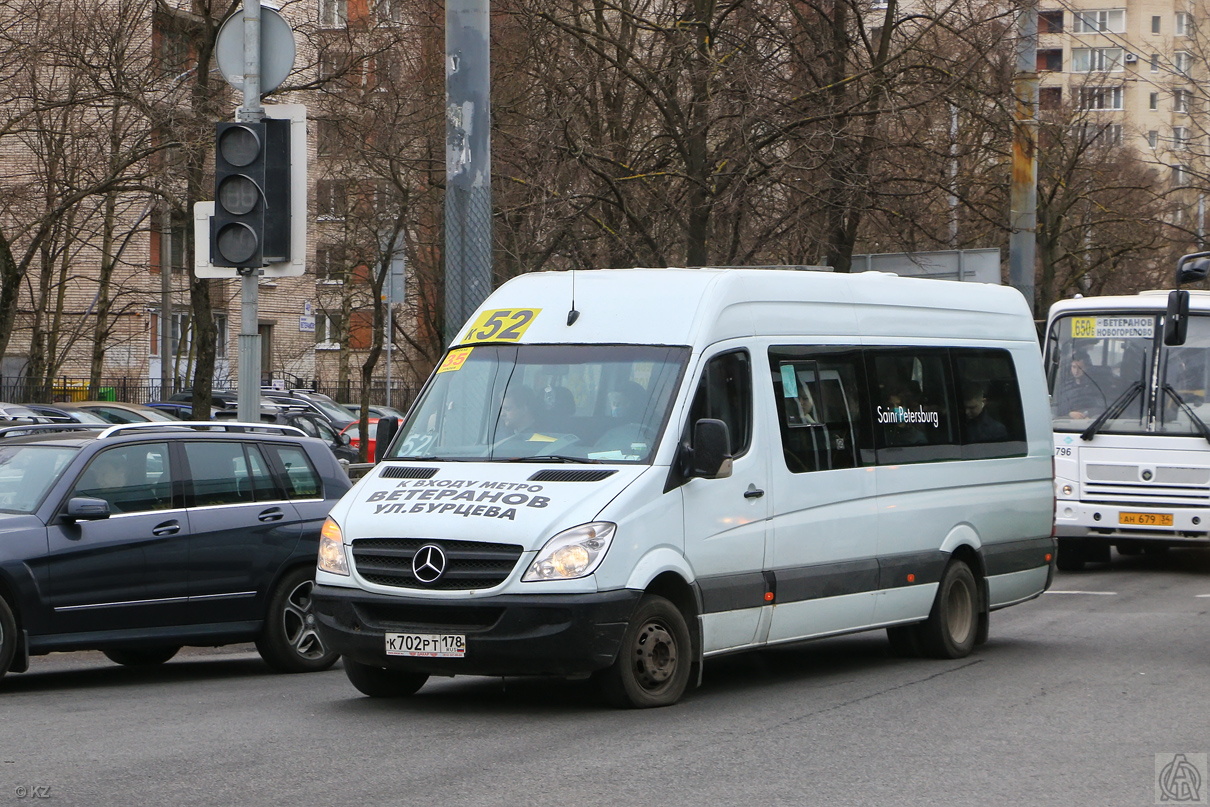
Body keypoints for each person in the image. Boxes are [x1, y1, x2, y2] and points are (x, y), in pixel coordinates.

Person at [493, 387, 558, 456]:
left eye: (507, 409)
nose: (501, 414)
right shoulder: (500, 437)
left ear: (524, 408)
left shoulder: (546, 436)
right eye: (501, 409)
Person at [1054, 350, 1106, 419]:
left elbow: (1102, 406)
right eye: (1074, 367)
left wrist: (1087, 414)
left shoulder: (1095, 386)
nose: (1076, 371)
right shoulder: (1065, 386)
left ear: (1086, 368)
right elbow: (1059, 406)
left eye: (1080, 368)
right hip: (1068, 422)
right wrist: (1070, 413)